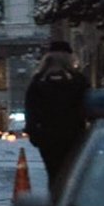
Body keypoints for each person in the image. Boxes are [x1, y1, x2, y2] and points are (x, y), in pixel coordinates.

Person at [24, 41, 90, 192]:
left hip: (47, 135)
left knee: (53, 171)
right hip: (73, 134)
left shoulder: (39, 80)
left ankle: (55, 201)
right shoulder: (77, 80)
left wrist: (33, 131)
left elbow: (31, 107)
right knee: (71, 172)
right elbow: (87, 105)